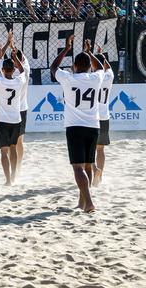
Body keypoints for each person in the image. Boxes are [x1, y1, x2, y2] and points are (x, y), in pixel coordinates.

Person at [50, 35, 104, 213]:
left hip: (75, 127)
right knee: (88, 165)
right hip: (93, 126)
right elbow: (101, 67)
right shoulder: (96, 78)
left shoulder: (68, 78)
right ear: (89, 66)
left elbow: (54, 67)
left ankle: (88, 202)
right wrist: (89, 52)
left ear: (74, 66)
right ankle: (82, 202)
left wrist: (66, 48)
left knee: (78, 167)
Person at [0, 33, 27, 186]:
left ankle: (8, 180)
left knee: (4, 151)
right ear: (12, 70)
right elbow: (22, 71)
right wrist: (16, 58)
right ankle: (14, 175)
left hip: (1, 121)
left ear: (2, 70)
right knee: (13, 149)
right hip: (15, 119)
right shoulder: (18, 81)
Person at [93, 48, 114, 187]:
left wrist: (92, 55)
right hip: (104, 117)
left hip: (92, 117)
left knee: (89, 149)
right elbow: (108, 67)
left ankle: (95, 171)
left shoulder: (92, 78)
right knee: (100, 150)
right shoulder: (109, 76)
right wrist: (101, 56)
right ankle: (100, 177)